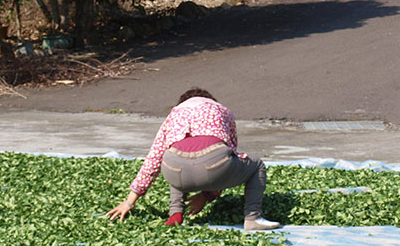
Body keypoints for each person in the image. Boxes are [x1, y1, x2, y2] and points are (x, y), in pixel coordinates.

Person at [106, 87, 281, 229]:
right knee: (256, 165)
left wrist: (129, 202)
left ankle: (175, 214)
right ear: (210, 100)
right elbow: (229, 155)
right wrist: (208, 195)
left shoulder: (174, 114)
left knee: (174, 160)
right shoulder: (223, 111)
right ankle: (252, 218)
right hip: (214, 165)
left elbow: (154, 158)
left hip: (175, 170)